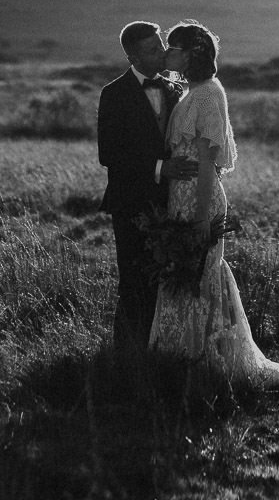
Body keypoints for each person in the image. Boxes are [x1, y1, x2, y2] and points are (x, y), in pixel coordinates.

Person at [148, 20, 279, 392]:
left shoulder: (208, 94)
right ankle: (181, 359)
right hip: (179, 198)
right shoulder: (189, 91)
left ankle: (209, 362)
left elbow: (208, 159)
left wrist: (200, 217)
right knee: (183, 277)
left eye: (173, 48)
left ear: (191, 53)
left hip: (199, 198)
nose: (167, 54)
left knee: (200, 277)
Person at [97, 20, 196, 355]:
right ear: (133, 57)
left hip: (171, 201)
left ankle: (164, 349)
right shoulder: (113, 94)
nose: (162, 53)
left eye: (161, 45)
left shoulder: (176, 90)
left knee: (168, 280)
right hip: (129, 202)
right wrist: (159, 167)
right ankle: (126, 354)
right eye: (153, 49)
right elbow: (109, 154)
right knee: (133, 280)